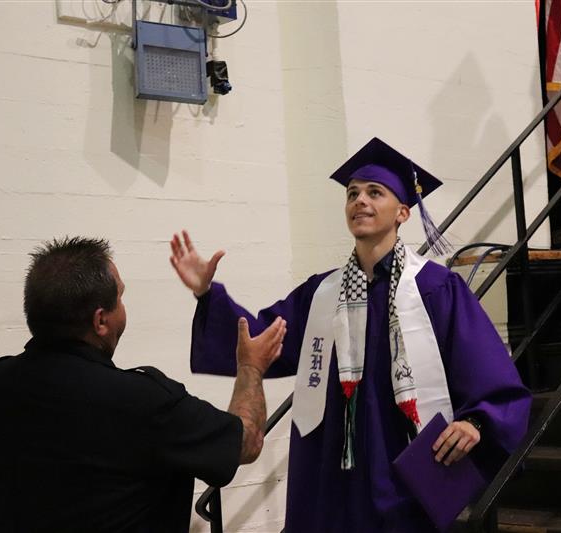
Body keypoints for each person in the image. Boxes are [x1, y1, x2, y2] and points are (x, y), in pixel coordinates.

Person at [171, 138, 532, 532]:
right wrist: (207, 294)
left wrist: (475, 422)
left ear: (403, 212)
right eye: (352, 193)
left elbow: (488, 375)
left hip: (403, 467)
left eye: (375, 192)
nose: (360, 200)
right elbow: (260, 340)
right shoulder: (320, 294)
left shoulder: (437, 290)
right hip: (332, 474)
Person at [0, 236, 286, 533]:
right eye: (121, 298)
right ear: (100, 320)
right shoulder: (147, 402)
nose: (124, 309)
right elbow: (247, 441)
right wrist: (251, 367)